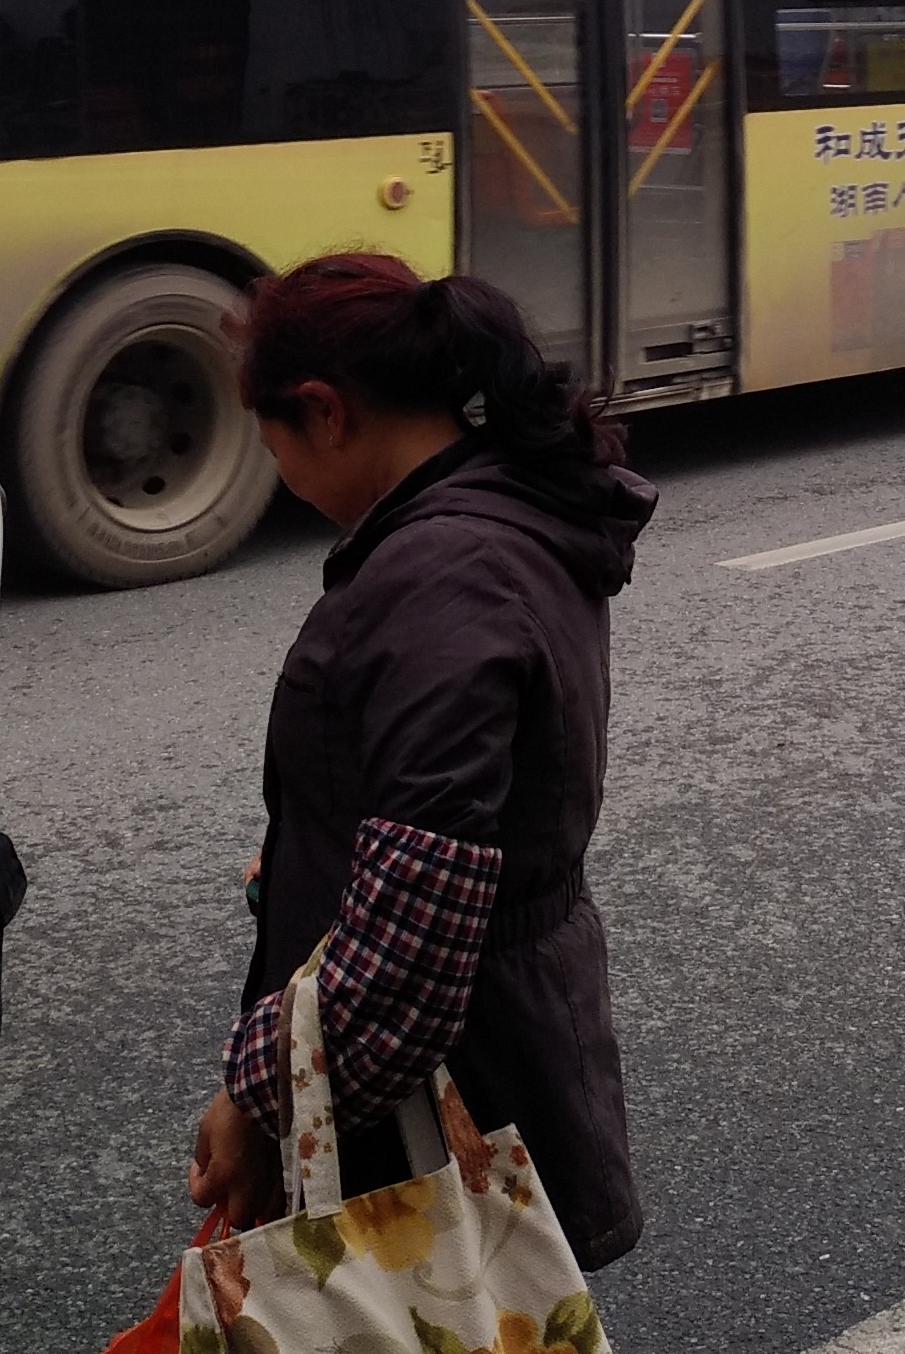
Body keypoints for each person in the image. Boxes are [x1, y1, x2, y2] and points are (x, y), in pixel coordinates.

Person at [185, 257, 654, 1269]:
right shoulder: (499, 519)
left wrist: (257, 1098)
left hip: (448, 1106)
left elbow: (411, 949)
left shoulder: (441, 577)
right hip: (501, 1052)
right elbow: (450, 815)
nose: (280, 473)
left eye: (272, 442)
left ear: (323, 411)